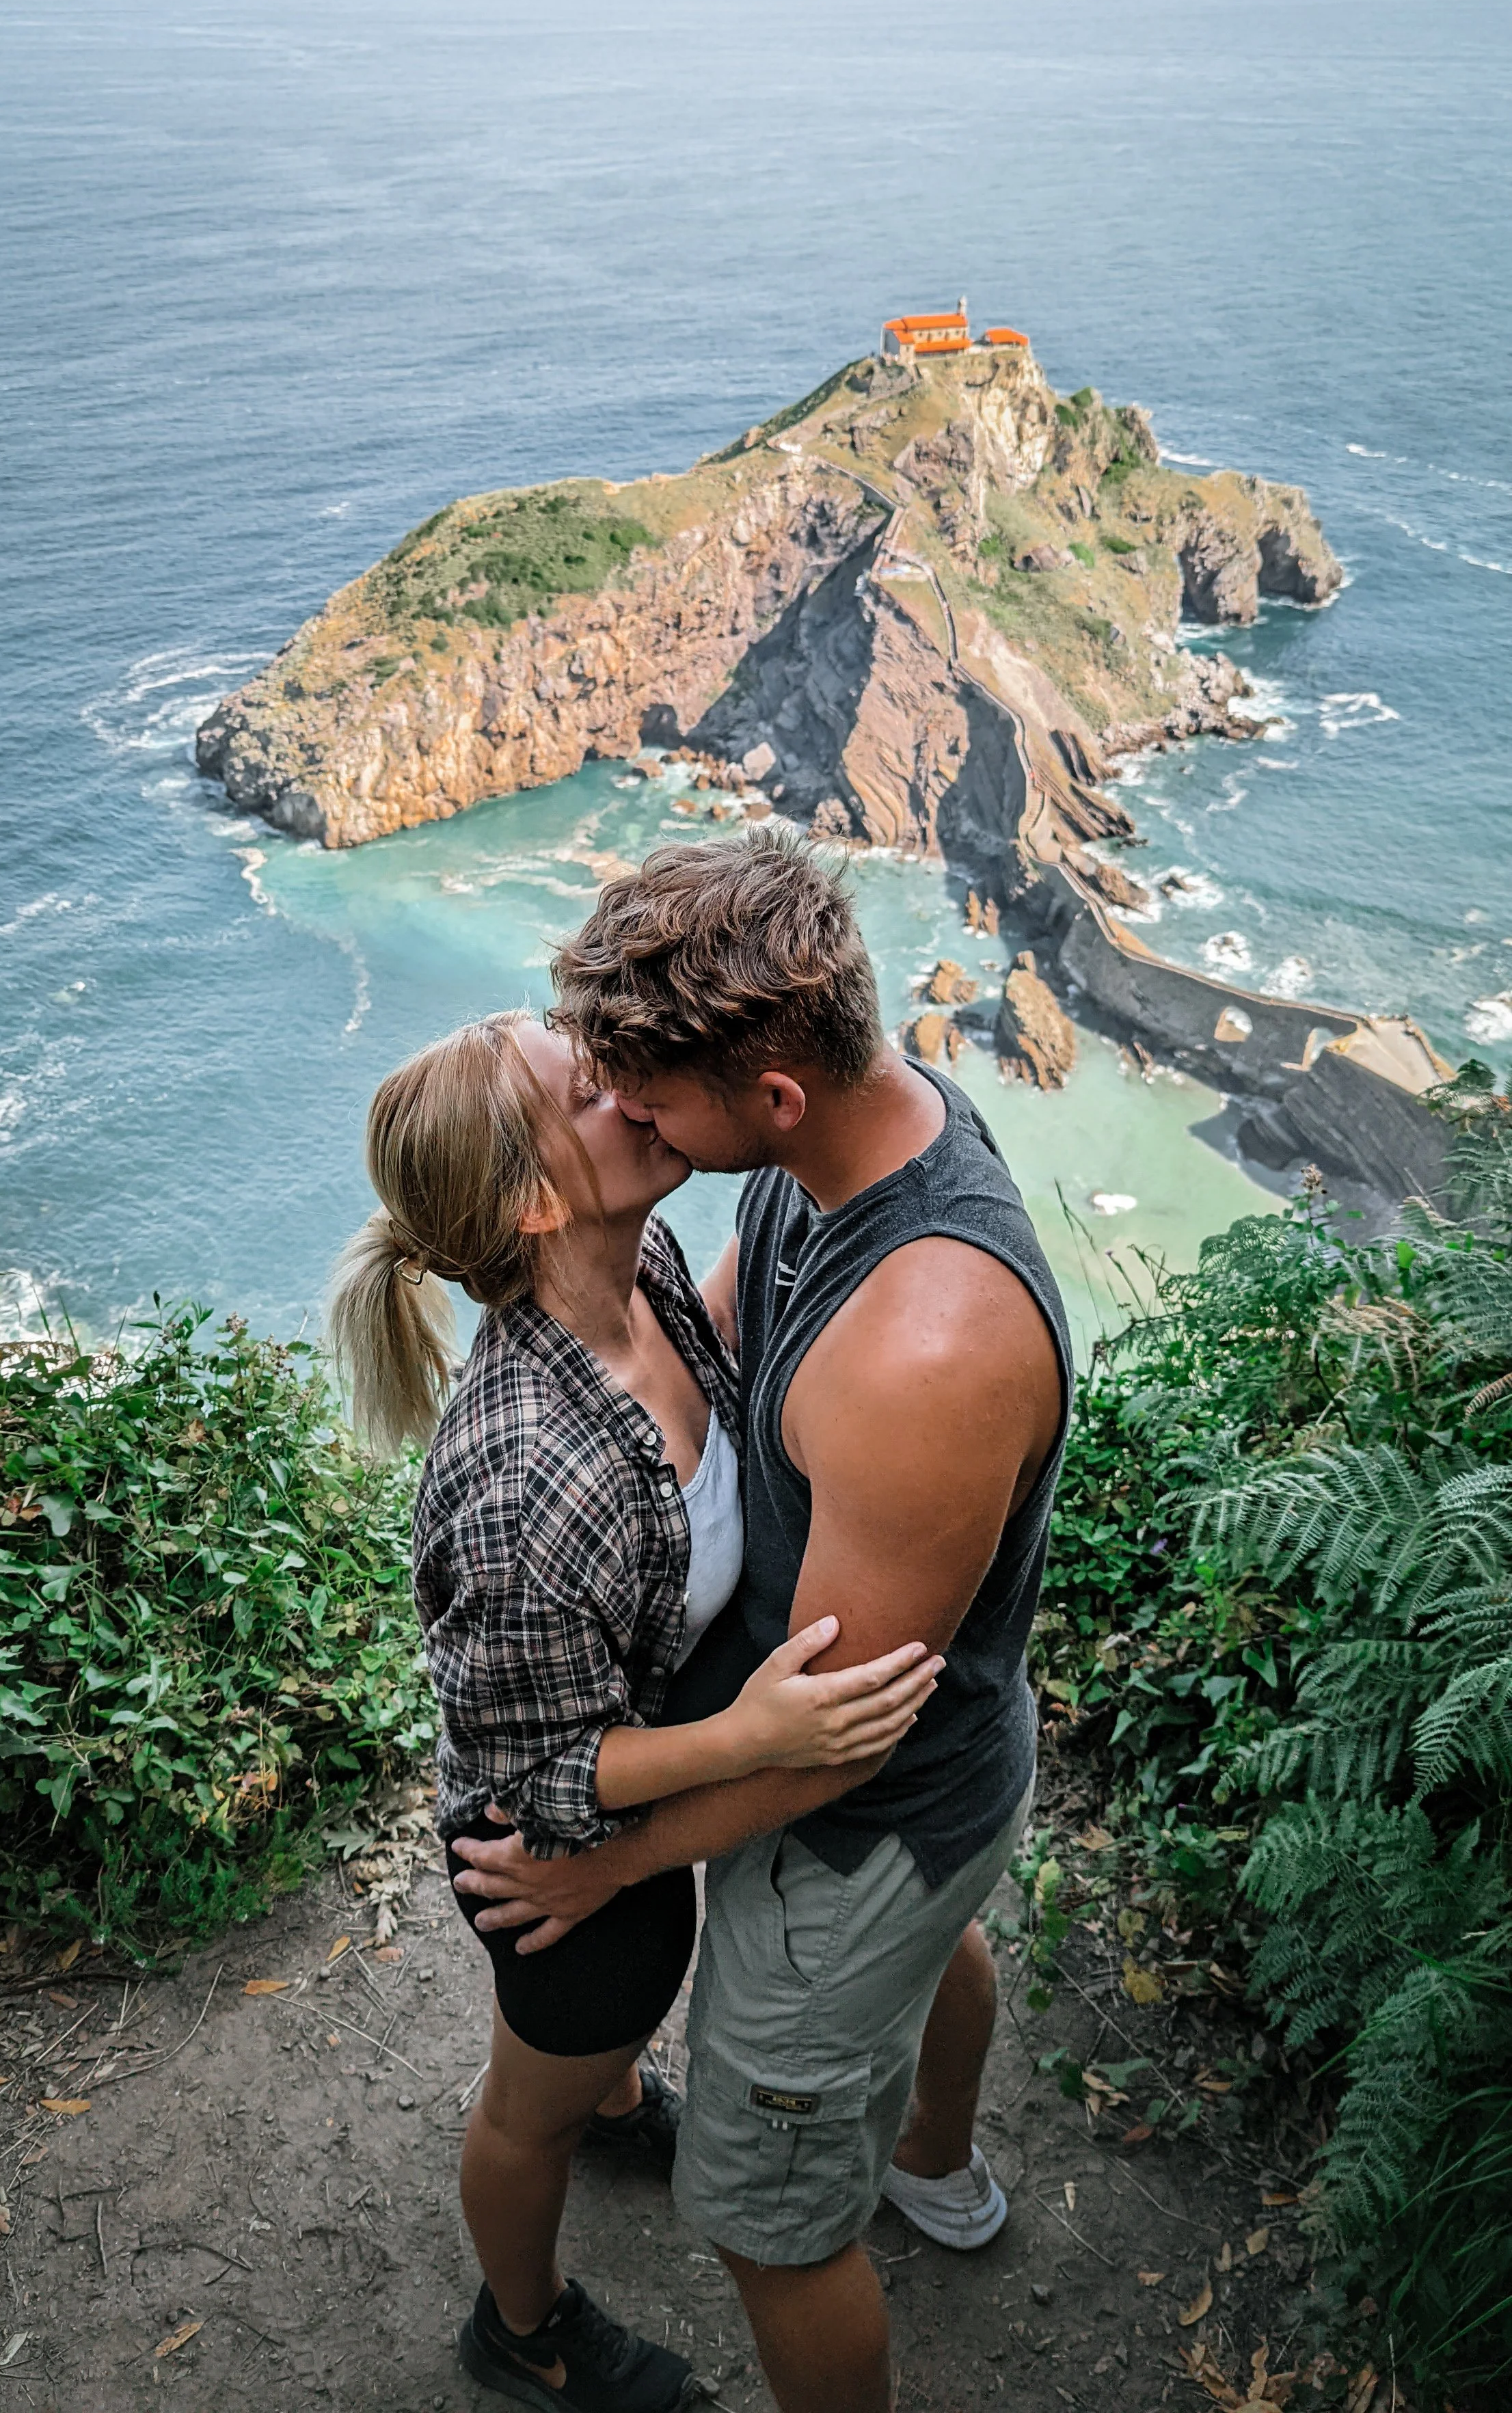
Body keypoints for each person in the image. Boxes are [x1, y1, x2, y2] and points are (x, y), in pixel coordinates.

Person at [452, 831, 1072, 2413]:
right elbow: (732, 1319)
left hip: (870, 1808)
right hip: (931, 1772)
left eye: (650, 1101)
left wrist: (605, 1864)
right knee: (943, 1942)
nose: (628, 1116)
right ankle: (934, 2165)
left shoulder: (924, 1348)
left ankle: (889, 2188)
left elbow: (836, 1749)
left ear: (772, 1094)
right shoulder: (855, 1141)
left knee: (771, 2228)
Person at [326, 1009, 941, 2413]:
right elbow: (541, 1774)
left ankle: (612, 2100)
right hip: (555, 1861)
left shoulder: (645, 1265)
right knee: (524, 2108)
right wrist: (755, 1740)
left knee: (598, 2064)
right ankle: (524, 2327)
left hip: (628, 1772)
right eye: (586, 1086)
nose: (625, 1077)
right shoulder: (523, 1485)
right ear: (539, 1202)